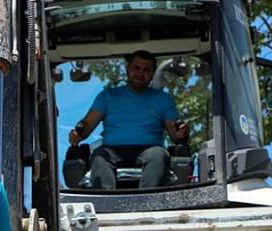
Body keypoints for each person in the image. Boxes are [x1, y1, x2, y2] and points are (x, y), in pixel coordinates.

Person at [69, 50, 190, 189]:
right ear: (127, 69)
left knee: (158, 155)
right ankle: (107, 198)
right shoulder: (107, 96)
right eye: (136, 68)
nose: (140, 73)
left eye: (146, 70)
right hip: (112, 150)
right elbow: (86, 125)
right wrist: (77, 134)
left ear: (152, 74)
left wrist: (182, 132)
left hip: (150, 149)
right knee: (99, 156)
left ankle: (148, 199)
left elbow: (176, 135)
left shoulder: (163, 99)